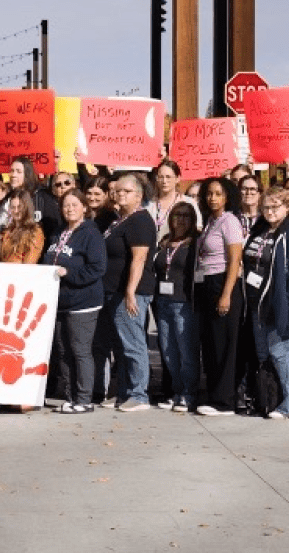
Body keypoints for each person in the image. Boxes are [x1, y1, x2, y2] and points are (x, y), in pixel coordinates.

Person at [243, 187, 289, 419]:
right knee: (265, 355)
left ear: (288, 208)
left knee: (282, 354)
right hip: (257, 304)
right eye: (266, 207)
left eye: (275, 207)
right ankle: (273, 400)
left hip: (284, 306)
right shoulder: (260, 231)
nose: (269, 211)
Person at [41, 189, 106, 414]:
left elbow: (97, 268)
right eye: (66, 205)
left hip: (83, 302)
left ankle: (84, 399)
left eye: (74, 205)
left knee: (80, 350)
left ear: (84, 208)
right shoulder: (58, 233)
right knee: (63, 351)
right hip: (59, 302)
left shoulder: (91, 234)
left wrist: (69, 273)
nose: (70, 209)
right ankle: (70, 397)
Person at [99, 173, 157, 413]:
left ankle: (138, 394)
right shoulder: (119, 220)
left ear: (139, 195)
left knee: (133, 344)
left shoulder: (140, 221)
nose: (120, 194)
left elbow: (139, 258)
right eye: (117, 191)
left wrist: (130, 291)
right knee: (120, 346)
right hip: (113, 292)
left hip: (130, 293)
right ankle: (124, 392)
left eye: (126, 191)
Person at [194, 177, 245, 417]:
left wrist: (226, 294)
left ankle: (224, 401)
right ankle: (213, 394)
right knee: (212, 344)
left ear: (228, 197)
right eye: (209, 194)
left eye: (218, 193)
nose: (212, 198)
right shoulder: (210, 222)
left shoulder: (229, 221)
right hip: (207, 284)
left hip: (224, 283)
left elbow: (235, 259)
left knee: (224, 345)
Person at [151, 202, 200, 412]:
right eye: (177, 215)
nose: (181, 219)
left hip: (183, 303)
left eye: (186, 215)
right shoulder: (165, 242)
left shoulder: (195, 242)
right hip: (163, 302)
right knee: (169, 351)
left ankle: (189, 393)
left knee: (186, 351)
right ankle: (176, 390)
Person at [7, 157, 60, 240]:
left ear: (27, 174)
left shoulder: (43, 196)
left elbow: (53, 227)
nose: (13, 175)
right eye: (12, 171)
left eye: (18, 171)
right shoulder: (8, 197)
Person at [148, 159, 199, 241]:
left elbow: (197, 228)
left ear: (177, 178)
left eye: (168, 177)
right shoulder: (148, 204)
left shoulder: (189, 202)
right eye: (161, 177)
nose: (164, 181)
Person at [0, 190, 44, 264]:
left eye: (19, 207)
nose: (16, 211)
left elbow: (30, 262)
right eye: (13, 207)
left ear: (26, 207)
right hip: (4, 272)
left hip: (21, 273)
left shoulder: (35, 231)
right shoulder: (7, 231)